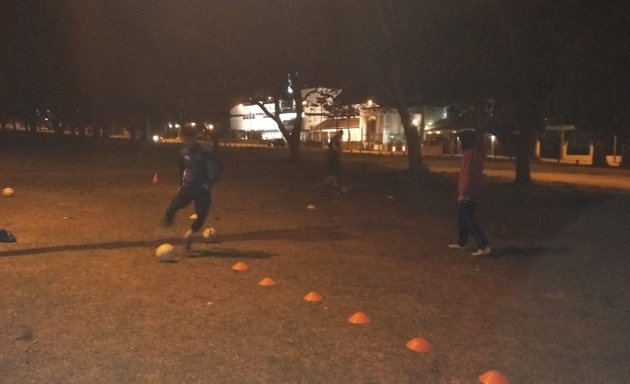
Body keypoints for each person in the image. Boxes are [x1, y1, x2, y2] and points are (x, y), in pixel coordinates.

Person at [164, 126, 222, 250]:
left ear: (191, 137)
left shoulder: (205, 152)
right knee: (170, 210)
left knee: (200, 217)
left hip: (202, 190)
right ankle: (167, 229)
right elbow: (181, 168)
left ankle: (188, 236)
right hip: (187, 187)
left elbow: (219, 165)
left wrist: (211, 182)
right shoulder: (183, 152)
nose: (184, 141)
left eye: (185, 138)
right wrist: (181, 184)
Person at [448, 129, 491, 256]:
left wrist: (464, 192)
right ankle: (462, 242)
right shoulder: (476, 153)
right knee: (462, 217)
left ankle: (483, 245)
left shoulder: (469, 154)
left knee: (470, 219)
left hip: (469, 191)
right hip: (473, 189)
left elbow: (469, 174)